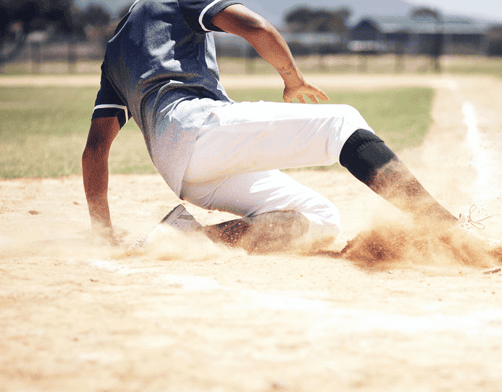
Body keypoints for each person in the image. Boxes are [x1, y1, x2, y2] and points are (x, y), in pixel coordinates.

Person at [82, 0, 459, 253]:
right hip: (198, 128)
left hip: (183, 171)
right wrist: (292, 78)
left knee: (321, 218)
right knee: (340, 122)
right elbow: (255, 26)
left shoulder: (115, 48)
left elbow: (97, 148)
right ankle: (441, 224)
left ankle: (188, 238)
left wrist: (103, 229)